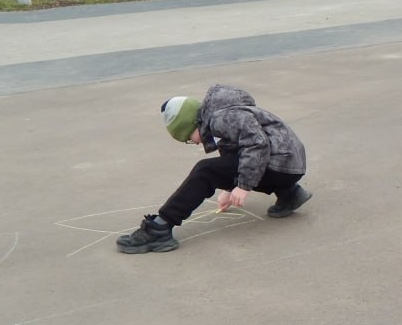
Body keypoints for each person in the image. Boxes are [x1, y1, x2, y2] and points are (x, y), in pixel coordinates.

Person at [116, 84, 311, 254]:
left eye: (187, 138)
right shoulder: (219, 118)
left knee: (205, 171)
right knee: (226, 167)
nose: (191, 142)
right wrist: (228, 189)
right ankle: (289, 194)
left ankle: (160, 228)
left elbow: (257, 144)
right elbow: (233, 159)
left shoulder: (221, 118)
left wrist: (243, 186)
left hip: (282, 162)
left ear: (193, 123)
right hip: (288, 164)